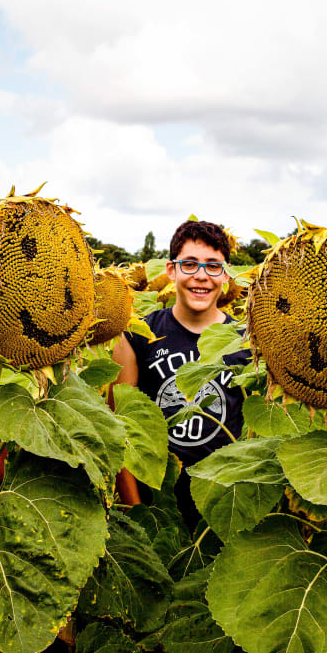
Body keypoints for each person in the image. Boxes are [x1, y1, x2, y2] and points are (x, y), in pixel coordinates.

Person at [112, 220, 249, 529]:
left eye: (213, 267)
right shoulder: (139, 334)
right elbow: (121, 428)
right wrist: (137, 514)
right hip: (156, 502)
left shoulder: (244, 340)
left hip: (225, 503)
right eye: (189, 264)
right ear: (171, 271)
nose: (201, 275)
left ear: (225, 275)